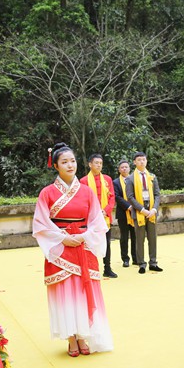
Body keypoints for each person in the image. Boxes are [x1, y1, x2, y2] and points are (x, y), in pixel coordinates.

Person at [33, 143, 113, 356]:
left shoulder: (87, 192)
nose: (70, 165)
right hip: (60, 247)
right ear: (56, 166)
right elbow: (40, 223)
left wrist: (83, 236)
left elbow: (97, 220)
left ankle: (83, 335)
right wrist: (63, 238)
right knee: (65, 292)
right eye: (64, 162)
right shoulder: (47, 193)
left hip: (83, 245)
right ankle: (71, 337)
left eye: (73, 161)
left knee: (83, 290)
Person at [80, 154, 118, 279]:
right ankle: (90, 268)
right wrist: (94, 213)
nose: (99, 165)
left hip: (105, 217)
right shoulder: (83, 181)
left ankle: (107, 268)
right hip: (91, 218)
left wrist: (105, 211)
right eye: (96, 163)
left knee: (107, 243)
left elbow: (112, 198)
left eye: (100, 163)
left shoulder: (107, 179)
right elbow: (83, 200)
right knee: (89, 243)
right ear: (90, 164)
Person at [125, 152, 162, 274]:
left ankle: (153, 262)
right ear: (134, 162)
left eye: (144, 159)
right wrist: (142, 210)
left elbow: (157, 194)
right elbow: (130, 197)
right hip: (139, 212)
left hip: (151, 212)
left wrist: (154, 209)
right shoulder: (130, 178)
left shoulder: (152, 176)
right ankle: (141, 263)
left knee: (153, 238)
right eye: (139, 160)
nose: (142, 162)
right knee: (139, 239)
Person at [112, 160, 139, 268]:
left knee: (135, 236)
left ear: (129, 168)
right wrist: (128, 206)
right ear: (119, 169)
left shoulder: (134, 180)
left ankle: (136, 258)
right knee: (124, 237)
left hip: (135, 213)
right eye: (122, 167)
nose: (124, 169)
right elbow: (117, 197)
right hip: (122, 213)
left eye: (126, 167)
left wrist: (135, 206)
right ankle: (125, 259)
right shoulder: (115, 182)